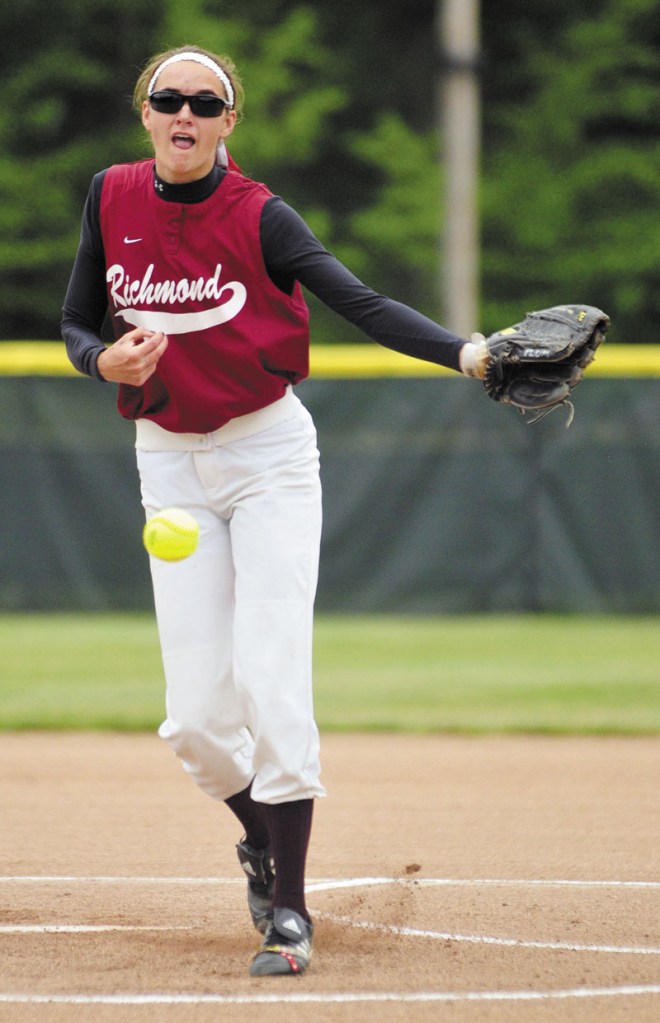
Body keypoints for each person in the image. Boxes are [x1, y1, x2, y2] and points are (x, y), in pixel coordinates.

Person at [61, 45, 483, 978]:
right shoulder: (110, 196)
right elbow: (76, 322)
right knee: (196, 724)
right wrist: (100, 360)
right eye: (169, 98)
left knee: (274, 680)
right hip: (168, 465)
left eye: (204, 102)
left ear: (228, 122)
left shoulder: (260, 215)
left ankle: (289, 911)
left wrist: (470, 355)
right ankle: (260, 834)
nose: (185, 112)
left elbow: (360, 302)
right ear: (145, 112)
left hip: (267, 460)